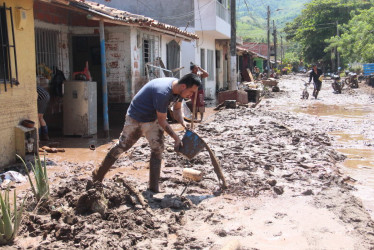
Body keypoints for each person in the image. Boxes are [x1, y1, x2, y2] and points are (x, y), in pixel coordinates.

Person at [92, 73, 201, 193]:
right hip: (136, 118)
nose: (191, 96)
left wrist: (183, 124)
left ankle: (153, 188)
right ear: (183, 86)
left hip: (153, 119)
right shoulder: (163, 93)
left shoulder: (179, 89)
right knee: (122, 147)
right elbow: (162, 120)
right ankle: (97, 176)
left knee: (158, 149)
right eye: (191, 92)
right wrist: (176, 138)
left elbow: (176, 109)